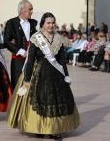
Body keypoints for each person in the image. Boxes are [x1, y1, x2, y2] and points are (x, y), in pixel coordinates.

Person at [6, 12, 81, 140]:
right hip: (40, 73)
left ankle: (53, 129)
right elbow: (30, 60)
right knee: (41, 101)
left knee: (54, 102)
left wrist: (66, 75)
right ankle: (39, 128)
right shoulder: (36, 38)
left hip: (56, 74)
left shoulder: (58, 38)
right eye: (48, 23)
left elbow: (62, 59)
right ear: (42, 24)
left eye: (53, 23)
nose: (51, 25)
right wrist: (27, 79)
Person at [4, 0, 37, 89]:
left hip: (32, 58)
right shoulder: (11, 23)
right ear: (22, 9)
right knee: (18, 82)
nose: (32, 11)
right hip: (18, 59)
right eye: (30, 9)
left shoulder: (34, 23)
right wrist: (22, 52)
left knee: (32, 82)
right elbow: (6, 41)